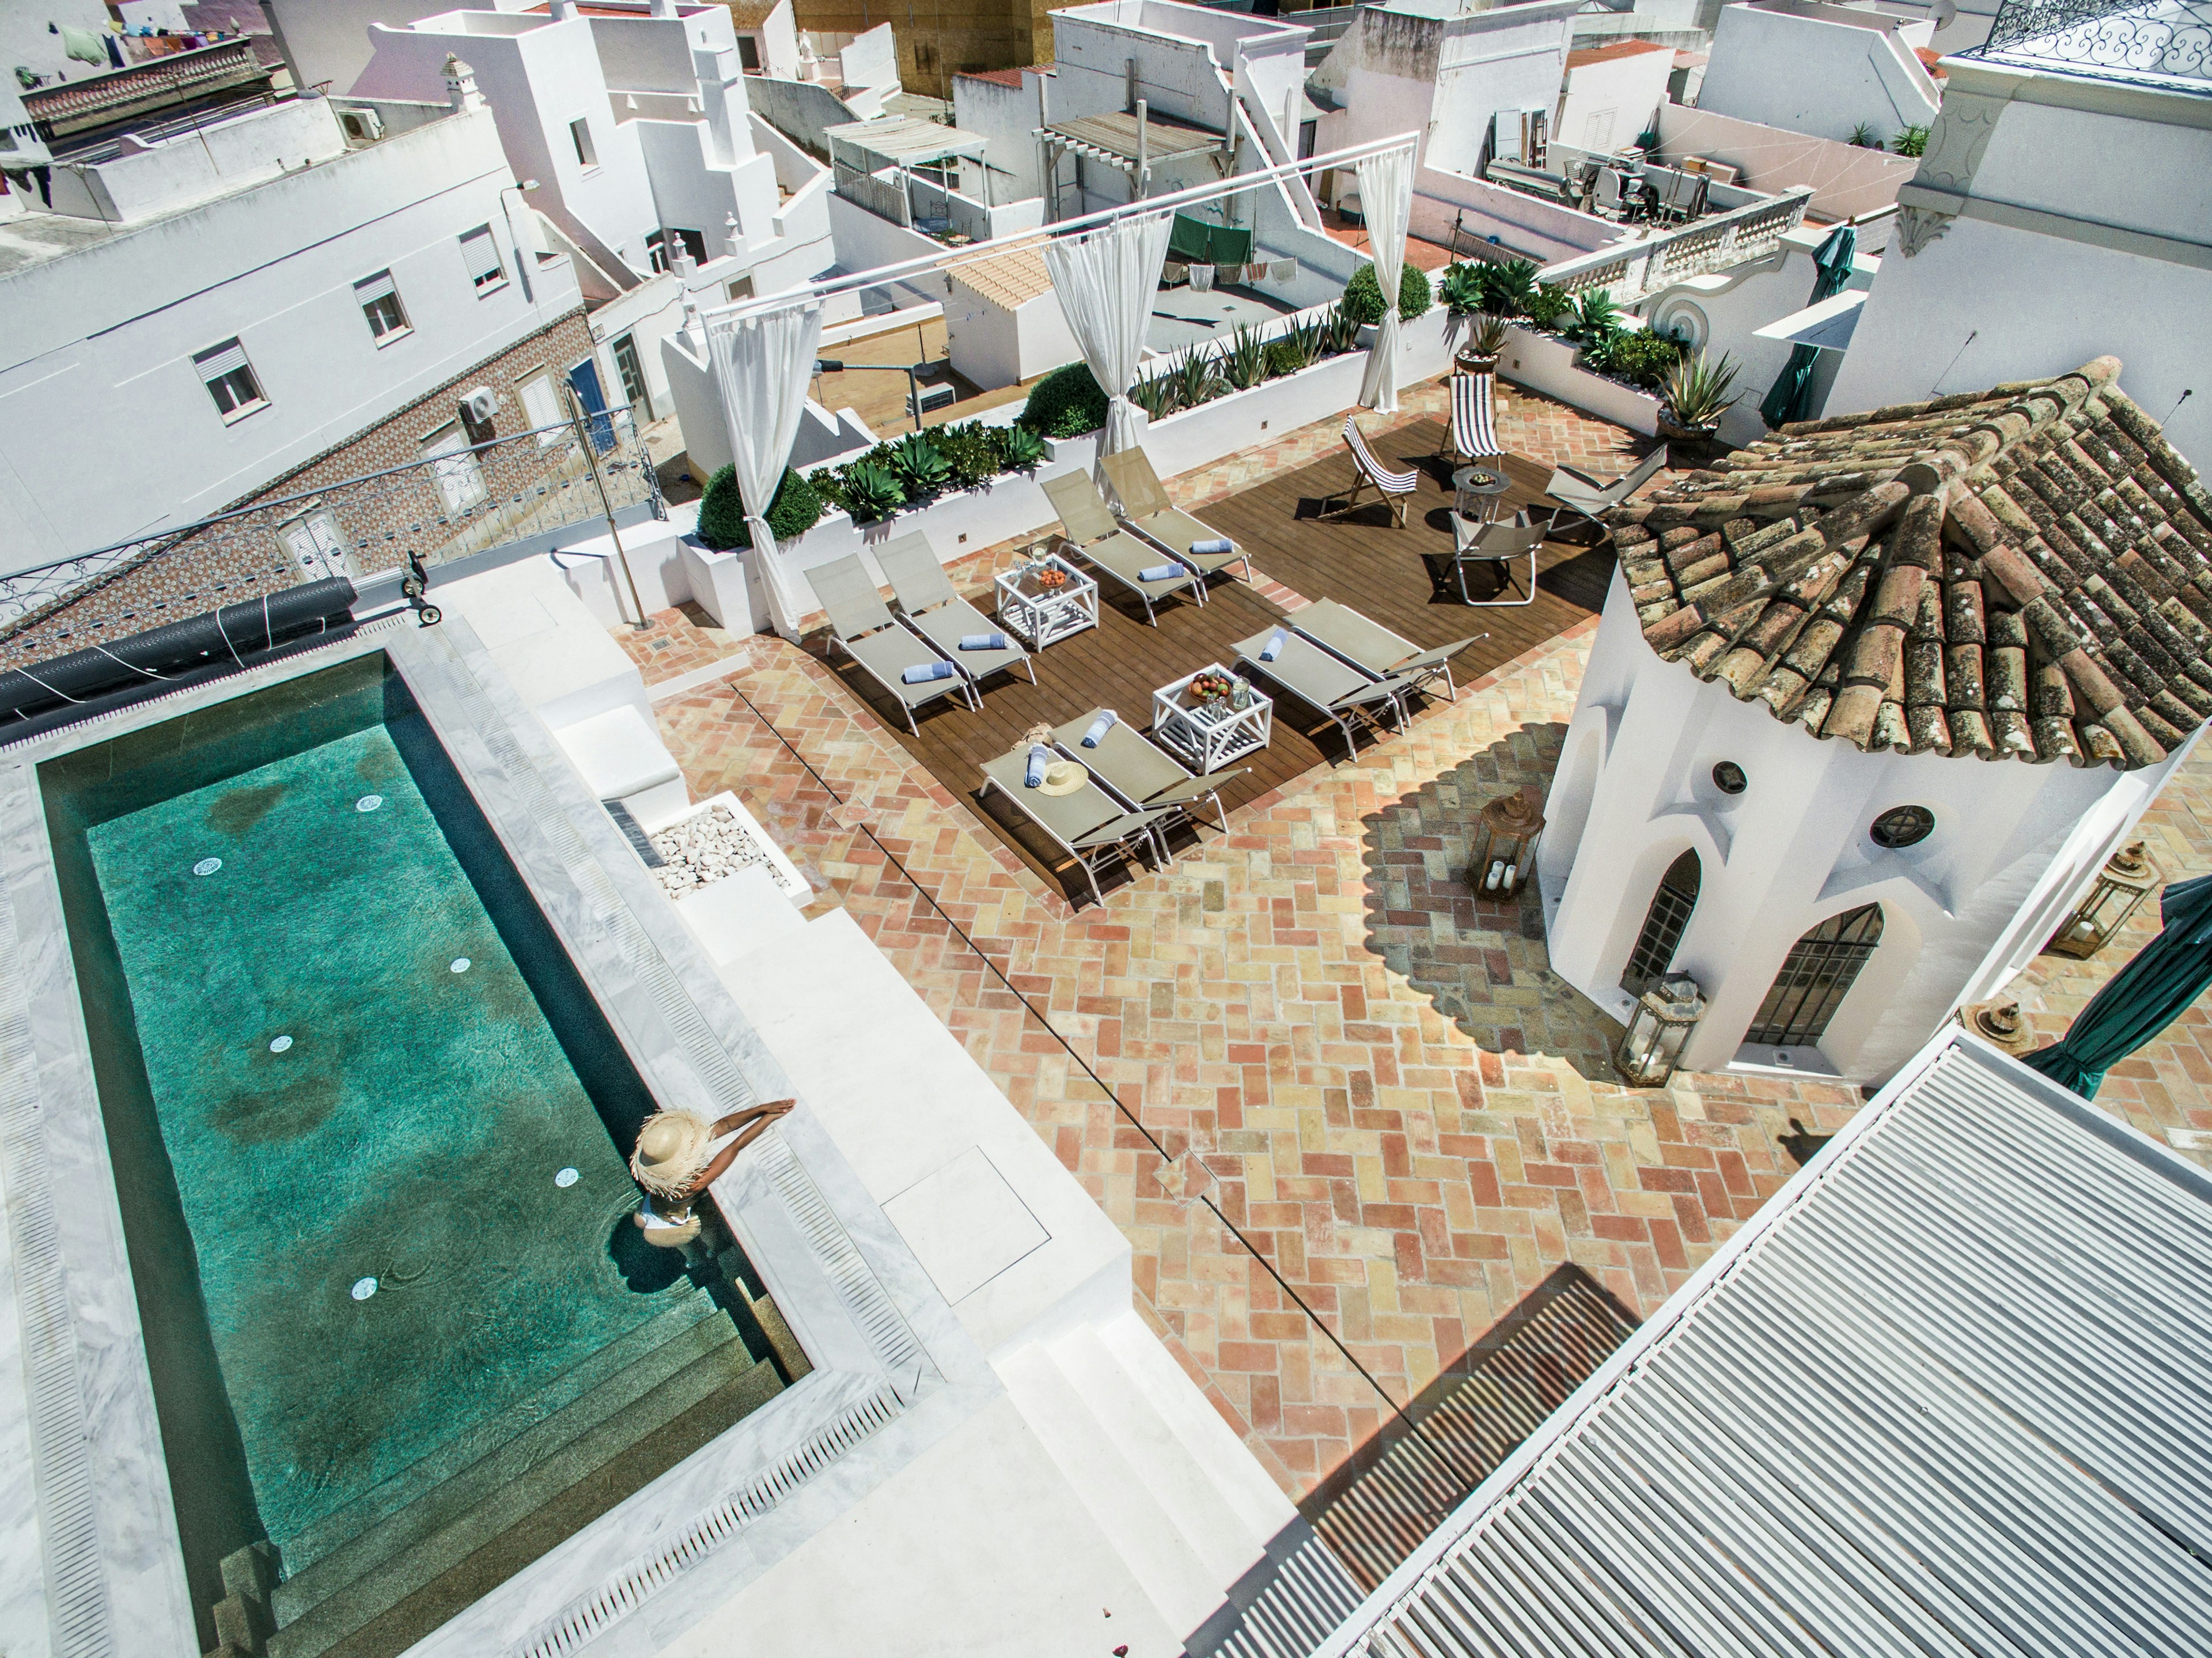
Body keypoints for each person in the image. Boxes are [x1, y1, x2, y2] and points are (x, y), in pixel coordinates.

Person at [628, 1100, 793, 1248]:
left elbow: (724, 1128)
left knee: (642, 1225)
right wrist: (767, 1117)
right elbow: (735, 1146)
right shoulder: (691, 1186)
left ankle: (696, 1256)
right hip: (665, 1217)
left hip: (650, 1209)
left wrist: (762, 1110)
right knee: (709, 1231)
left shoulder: (651, 1171)